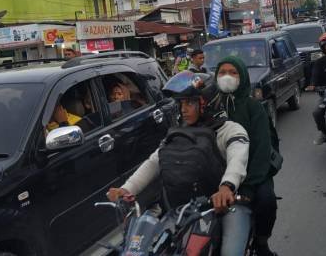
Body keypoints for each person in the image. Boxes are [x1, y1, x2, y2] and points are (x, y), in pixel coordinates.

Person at [107, 71, 251, 256]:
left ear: (206, 102)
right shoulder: (177, 133)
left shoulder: (230, 130)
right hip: (182, 209)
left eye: (189, 102)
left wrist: (226, 187)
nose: (183, 109)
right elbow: (155, 160)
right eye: (181, 103)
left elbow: (237, 160)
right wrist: (127, 189)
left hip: (225, 206)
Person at [212, 56, 280, 256]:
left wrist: (249, 187)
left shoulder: (254, 107)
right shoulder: (211, 105)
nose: (226, 77)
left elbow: (261, 149)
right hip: (219, 173)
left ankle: (261, 242)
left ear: (242, 77)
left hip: (253, 173)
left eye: (232, 73)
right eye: (222, 72)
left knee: (267, 201)